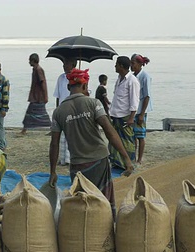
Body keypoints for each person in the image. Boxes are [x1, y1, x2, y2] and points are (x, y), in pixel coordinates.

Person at [49, 68, 134, 218]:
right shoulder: (94, 103)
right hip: (99, 161)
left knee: (82, 202)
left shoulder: (58, 112)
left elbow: (54, 144)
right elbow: (110, 132)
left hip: (77, 164)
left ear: (69, 87)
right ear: (84, 86)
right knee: (103, 201)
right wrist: (126, 158)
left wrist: (53, 172)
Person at [109, 56, 140, 169]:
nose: (115, 66)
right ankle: (117, 163)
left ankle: (128, 163)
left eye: (116, 64)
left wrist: (131, 118)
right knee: (115, 139)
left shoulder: (132, 81)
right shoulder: (119, 79)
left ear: (121, 66)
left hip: (125, 116)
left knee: (127, 140)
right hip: (116, 114)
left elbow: (134, 100)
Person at [53, 58, 77, 165]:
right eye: (63, 64)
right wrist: (57, 109)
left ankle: (69, 159)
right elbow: (57, 96)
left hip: (73, 108)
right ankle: (62, 159)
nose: (64, 66)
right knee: (62, 136)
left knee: (71, 135)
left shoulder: (77, 78)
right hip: (62, 108)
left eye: (67, 63)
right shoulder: (61, 78)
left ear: (73, 64)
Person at [20, 53, 50, 135]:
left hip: (38, 97)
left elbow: (43, 83)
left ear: (33, 61)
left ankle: (24, 130)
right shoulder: (35, 69)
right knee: (33, 113)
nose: (29, 62)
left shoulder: (38, 70)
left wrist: (45, 96)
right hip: (35, 96)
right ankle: (24, 129)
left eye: (30, 60)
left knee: (33, 113)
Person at [130, 54, 153, 164]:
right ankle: (134, 157)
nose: (131, 65)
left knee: (140, 135)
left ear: (139, 64)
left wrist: (142, 114)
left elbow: (147, 96)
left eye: (133, 63)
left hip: (141, 110)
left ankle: (140, 159)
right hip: (134, 108)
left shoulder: (145, 76)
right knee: (133, 135)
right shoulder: (133, 76)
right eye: (131, 63)